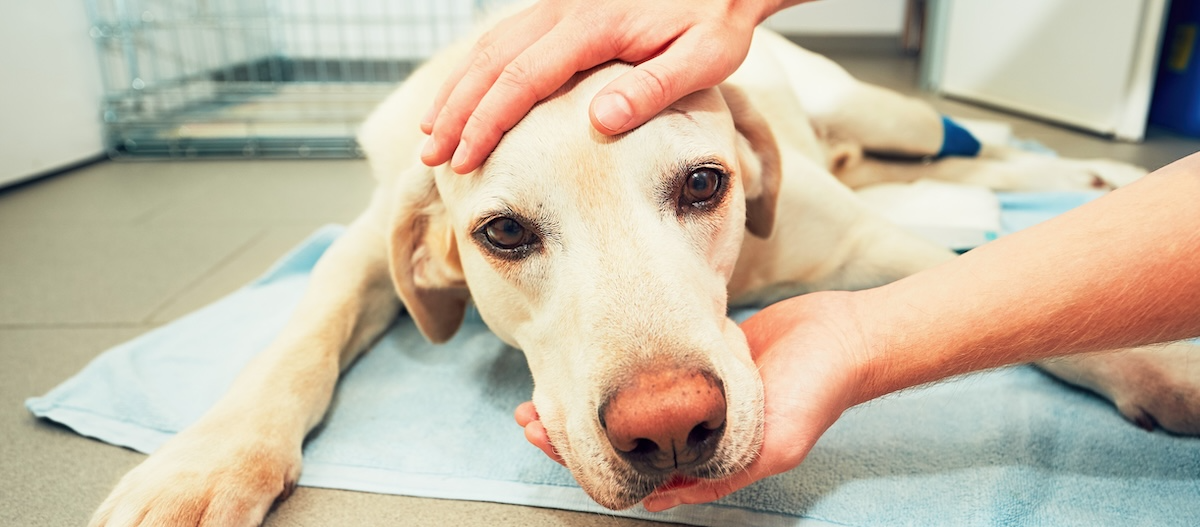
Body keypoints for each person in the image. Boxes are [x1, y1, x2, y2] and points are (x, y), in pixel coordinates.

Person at [422, 0, 1200, 512]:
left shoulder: (754, 144)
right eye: (511, 233)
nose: (664, 411)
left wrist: (1113, 354)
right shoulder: (431, 170)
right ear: (440, 252)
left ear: (756, 173)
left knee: (895, 124)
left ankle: (978, 150)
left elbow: (879, 246)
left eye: (697, 186)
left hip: (788, 90)